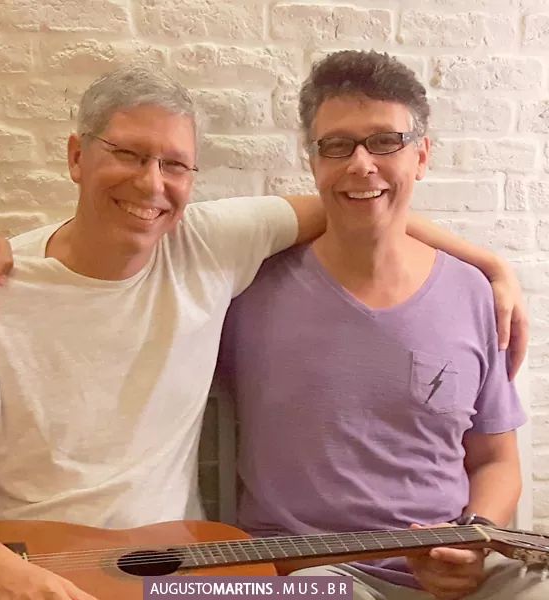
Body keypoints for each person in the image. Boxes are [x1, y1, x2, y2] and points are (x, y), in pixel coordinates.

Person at [0, 60, 529, 599]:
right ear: (77, 156)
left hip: (176, 568)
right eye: (127, 153)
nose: (151, 183)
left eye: (175, 165)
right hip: (31, 562)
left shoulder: (206, 248)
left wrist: (490, 265)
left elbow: (362, 202)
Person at [217, 50, 544, 600]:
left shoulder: (473, 295)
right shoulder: (248, 291)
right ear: (313, 161)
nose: (361, 164)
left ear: (422, 155)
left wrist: (474, 538)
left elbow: (496, 460)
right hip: (314, 577)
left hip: (460, 574)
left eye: (385, 141)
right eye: (336, 145)